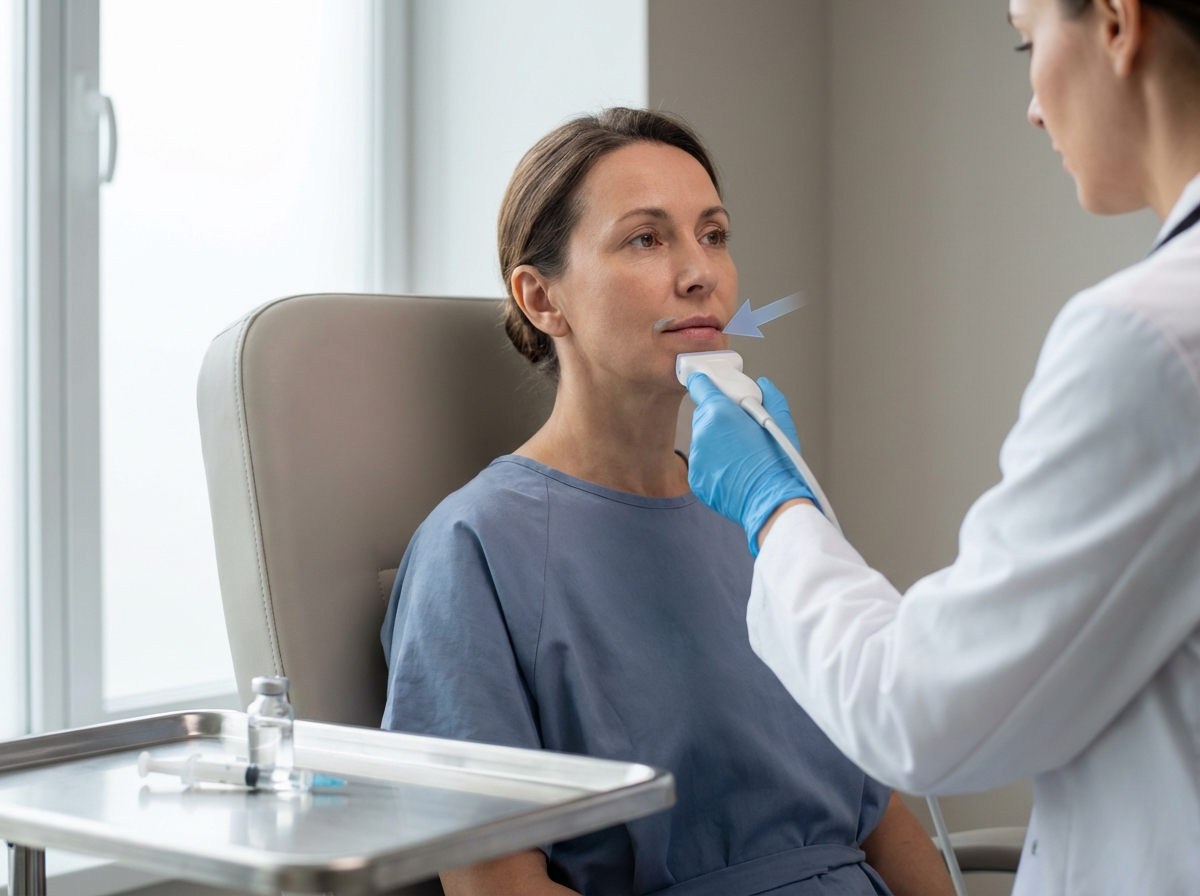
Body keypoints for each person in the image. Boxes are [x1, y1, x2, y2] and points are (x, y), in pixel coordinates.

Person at [683, 1, 1200, 894]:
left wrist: (777, 507)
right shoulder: (487, 544)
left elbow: (919, 713)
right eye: (644, 238)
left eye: (1028, 41)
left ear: (1118, 22)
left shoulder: (1150, 339)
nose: (1032, 106)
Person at [380, 108, 954, 896]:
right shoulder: (474, 549)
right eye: (646, 239)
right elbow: (497, 888)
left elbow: (881, 820)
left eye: (713, 235)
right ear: (542, 299)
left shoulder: (766, 516)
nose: (700, 274)